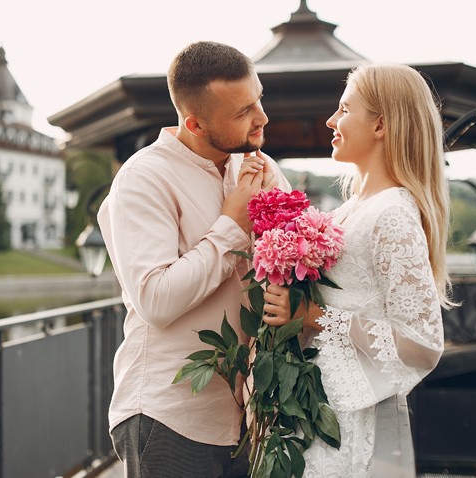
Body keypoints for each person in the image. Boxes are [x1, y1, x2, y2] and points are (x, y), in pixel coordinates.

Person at [98, 41, 290, 477]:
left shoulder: (262, 170)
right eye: (243, 111)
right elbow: (156, 300)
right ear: (195, 123)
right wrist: (232, 225)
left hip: (251, 416)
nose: (261, 117)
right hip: (169, 417)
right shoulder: (143, 178)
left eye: (258, 99)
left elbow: (294, 267)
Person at [262, 63, 449, 477]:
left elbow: (423, 343)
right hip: (314, 408)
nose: (331, 120)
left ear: (380, 124)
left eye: (345, 109)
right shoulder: (349, 211)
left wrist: (313, 317)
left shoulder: (393, 214)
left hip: (351, 423)